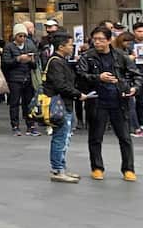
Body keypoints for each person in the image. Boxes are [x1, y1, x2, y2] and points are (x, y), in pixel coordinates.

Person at [76, 26, 138, 181]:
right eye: (95, 39)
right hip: (97, 100)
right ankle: (97, 167)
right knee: (95, 137)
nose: (97, 42)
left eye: (101, 39)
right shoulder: (87, 57)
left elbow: (136, 74)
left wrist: (133, 87)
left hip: (119, 100)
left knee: (124, 137)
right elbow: (80, 76)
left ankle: (128, 169)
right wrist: (98, 77)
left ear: (109, 40)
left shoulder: (120, 55)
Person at [43, 33, 83, 183]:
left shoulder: (61, 61)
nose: (72, 47)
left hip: (64, 103)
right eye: (70, 45)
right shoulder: (56, 62)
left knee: (64, 136)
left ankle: (61, 167)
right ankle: (57, 169)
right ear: (61, 46)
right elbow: (61, 85)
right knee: (60, 137)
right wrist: (78, 94)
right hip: (59, 104)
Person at [1, 25, 40, 136]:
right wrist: (18, 59)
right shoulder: (9, 47)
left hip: (27, 77)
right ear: (15, 36)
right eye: (20, 36)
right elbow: (6, 62)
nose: (22, 38)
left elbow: (35, 63)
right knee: (14, 103)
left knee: (28, 103)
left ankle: (31, 125)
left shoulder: (29, 44)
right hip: (14, 78)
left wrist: (31, 60)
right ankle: (15, 126)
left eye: (24, 36)